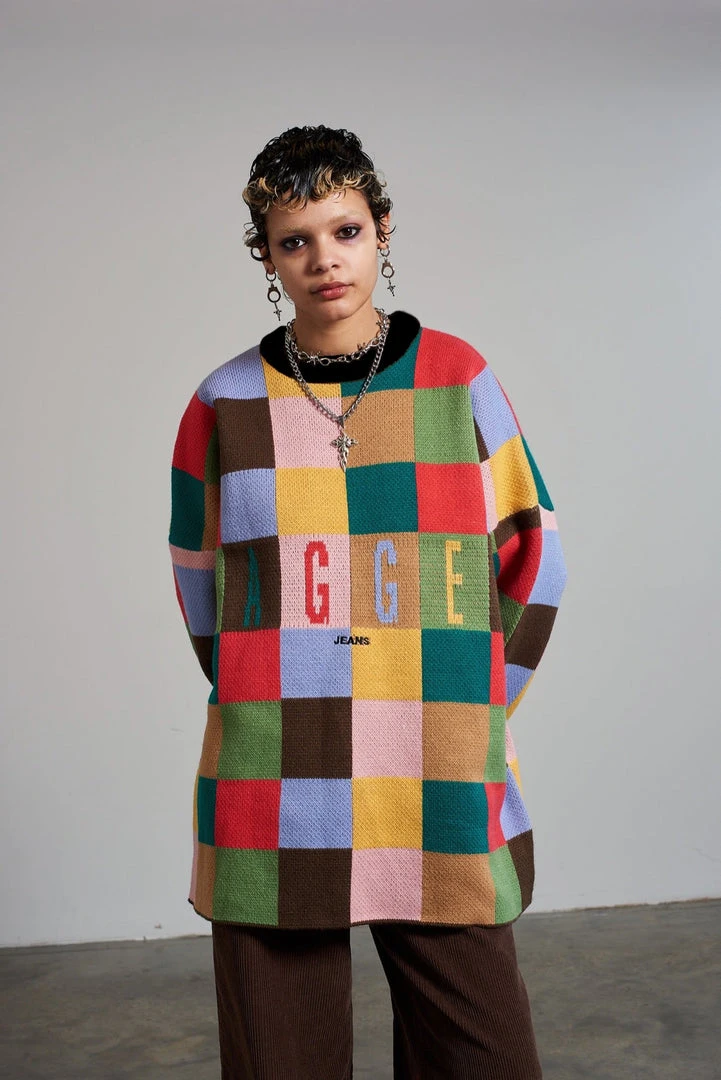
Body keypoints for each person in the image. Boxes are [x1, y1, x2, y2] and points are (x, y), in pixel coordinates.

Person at [168, 124, 568, 1079]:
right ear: (266, 257)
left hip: (434, 756)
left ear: (381, 230)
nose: (324, 260)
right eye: (294, 241)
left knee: (483, 1053)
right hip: (273, 768)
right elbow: (201, 583)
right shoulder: (223, 404)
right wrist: (268, 688)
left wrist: (472, 699)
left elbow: (535, 557)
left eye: (344, 231)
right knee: (281, 1057)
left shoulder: (457, 378)